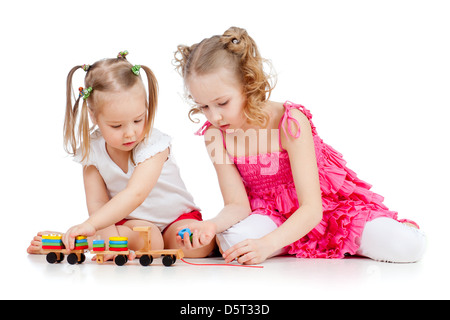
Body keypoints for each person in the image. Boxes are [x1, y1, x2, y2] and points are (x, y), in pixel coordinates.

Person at [173, 27, 426, 265]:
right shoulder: (215, 136)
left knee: (406, 247)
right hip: (272, 214)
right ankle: (289, 242)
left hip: (326, 210)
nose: (214, 117)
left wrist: (266, 245)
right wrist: (213, 225)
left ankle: (367, 234)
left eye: (222, 103)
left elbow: (312, 208)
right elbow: (237, 205)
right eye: (204, 106)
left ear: (247, 85)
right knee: (233, 242)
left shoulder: (289, 121)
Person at [27, 51, 215, 260]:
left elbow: (136, 193)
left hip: (177, 219)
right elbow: (97, 203)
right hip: (133, 225)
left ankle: (82, 240)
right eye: (116, 125)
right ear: (93, 116)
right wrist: (102, 234)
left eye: (138, 120)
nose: (130, 133)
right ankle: (72, 242)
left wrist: (92, 227)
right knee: (148, 239)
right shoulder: (92, 151)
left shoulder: (153, 143)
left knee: (197, 247)